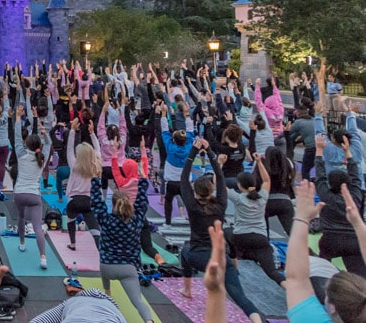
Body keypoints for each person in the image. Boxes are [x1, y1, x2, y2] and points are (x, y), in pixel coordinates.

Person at [178, 138, 263, 323]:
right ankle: (257, 320)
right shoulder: (221, 204)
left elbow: (183, 177)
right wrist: (210, 152)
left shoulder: (192, 206)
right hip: (221, 258)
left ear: (196, 192)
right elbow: (220, 176)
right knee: (239, 296)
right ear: (211, 190)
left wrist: (193, 151)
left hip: (198, 256)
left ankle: (187, 289)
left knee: (184, 252)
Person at [284, 180, 366, 323]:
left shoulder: (311, 319)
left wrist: (302, 217)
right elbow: (296, 279)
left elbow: (296, 279)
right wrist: (358, 223)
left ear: (333, 308)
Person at [91, 162, 153, 323]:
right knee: (138, 301)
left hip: (107, 267)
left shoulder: (106, 220)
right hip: (128, 269)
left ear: (113, 205)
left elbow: (96, 202)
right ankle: (149, 321)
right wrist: (143, 179)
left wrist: (96, 178)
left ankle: (107, 290)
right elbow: (142, 201)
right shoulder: (137, 220)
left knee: (102, 253)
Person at [228, 155, 286, 286]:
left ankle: (232, 270)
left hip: (240, 238)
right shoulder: (262, 197)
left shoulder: (238, 198)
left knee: (226, 235)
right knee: (272, 272)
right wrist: (259, 162)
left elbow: (218, 183)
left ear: (239, 185)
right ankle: (289, 288)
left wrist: (219, 164)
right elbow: (266, 180)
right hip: (260, 238)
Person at [314, 131, 365, 276]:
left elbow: (320, 175)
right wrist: (347, 152)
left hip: (330, 240)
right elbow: (355, 175)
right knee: (360, 274)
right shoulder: (355, 195)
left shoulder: (326, 196)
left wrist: (319, 150)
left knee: (322, 268)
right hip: (353, 241)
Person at [111, 137, 163, 265]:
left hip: (123, 219)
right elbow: (145, 166)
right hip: (140, 218)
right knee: (147, 246)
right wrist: (143, 149)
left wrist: (114, 150)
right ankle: (158, 258)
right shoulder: (142, 182)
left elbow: (114, 167)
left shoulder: (121, 182)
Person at [12, 111, 52, 268]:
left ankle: (22, 243)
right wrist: (45, 134)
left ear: (26, 144)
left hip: (20, 193)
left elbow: (16, 138)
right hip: (34, 195)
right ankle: (43, 258)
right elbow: (48, 145)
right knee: (37, 228)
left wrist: (17, 119)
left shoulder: (21, 154)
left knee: (21, 218)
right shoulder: (42, 159)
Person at [64, 118, 102, 250]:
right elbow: (98, 150)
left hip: (73, 200)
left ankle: (73, 243)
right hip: (88, 200)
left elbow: (69, 149)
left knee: (70, 220)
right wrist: (92, 134)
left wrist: (73, 131)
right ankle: (98, 247)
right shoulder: (95, 165)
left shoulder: (74, 164)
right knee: (94, 226)